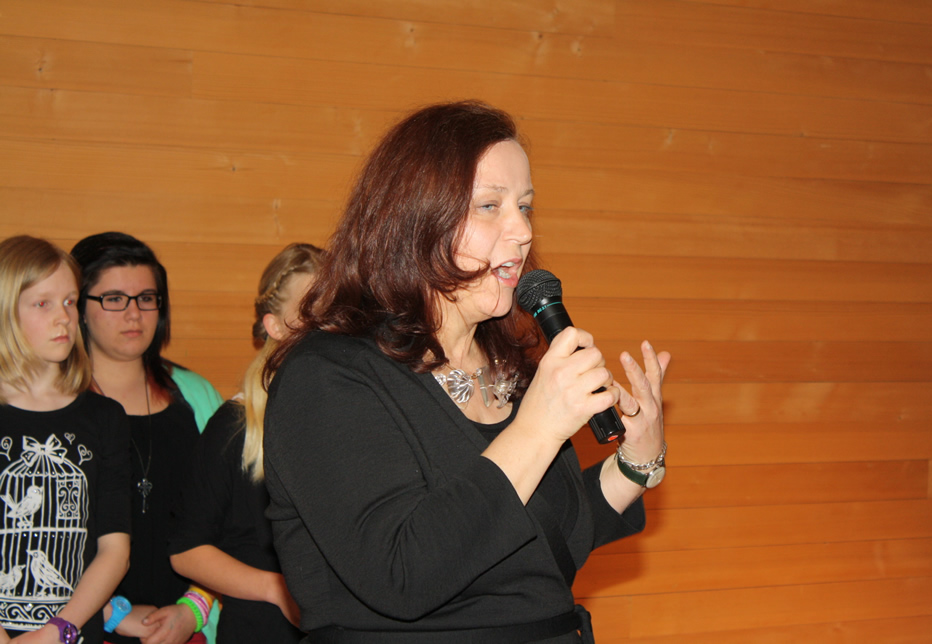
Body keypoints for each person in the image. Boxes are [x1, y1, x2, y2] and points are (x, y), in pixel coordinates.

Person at [262, 101, 671, 643]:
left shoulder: (513, 372)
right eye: (489, 206)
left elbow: (548, 547)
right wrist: (538, 429)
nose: (521, 230)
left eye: (525, 206)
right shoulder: (327, 377)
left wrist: (638, 460)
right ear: (413, 220)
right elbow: (401, 574)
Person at [70, 233, 223, 644]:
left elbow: (234, 520)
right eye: (114, 299)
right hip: (83, 626)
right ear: (79, 308)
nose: (134, 313)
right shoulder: (54, 404)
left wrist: (194, 608)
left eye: (147, 298)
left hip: (188, 627)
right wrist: (110, 614)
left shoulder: (198, 397)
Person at [169, 243, 324, 643]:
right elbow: (186, 551)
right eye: (310, 311)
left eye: (335, 308)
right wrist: (276, 589)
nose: (326, 324)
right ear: (274, 326)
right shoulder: (235, 425)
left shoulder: (359, 415)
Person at [0, 235, 130, 644]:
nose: (64, 317)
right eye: (43, 303)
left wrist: (59, 630)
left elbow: (115, 550)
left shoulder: (104, 417)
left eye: (70, 301)